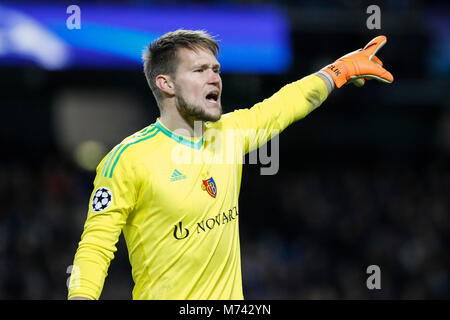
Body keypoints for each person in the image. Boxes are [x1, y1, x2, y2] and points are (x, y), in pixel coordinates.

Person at [67, 29, 393, 300]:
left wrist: (339, 70)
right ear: (166, 84)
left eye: (216, 69)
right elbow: (95, 247)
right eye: (200, 70)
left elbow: (285, 104)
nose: (215, 79)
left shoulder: (228, 134)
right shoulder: (128, 160)